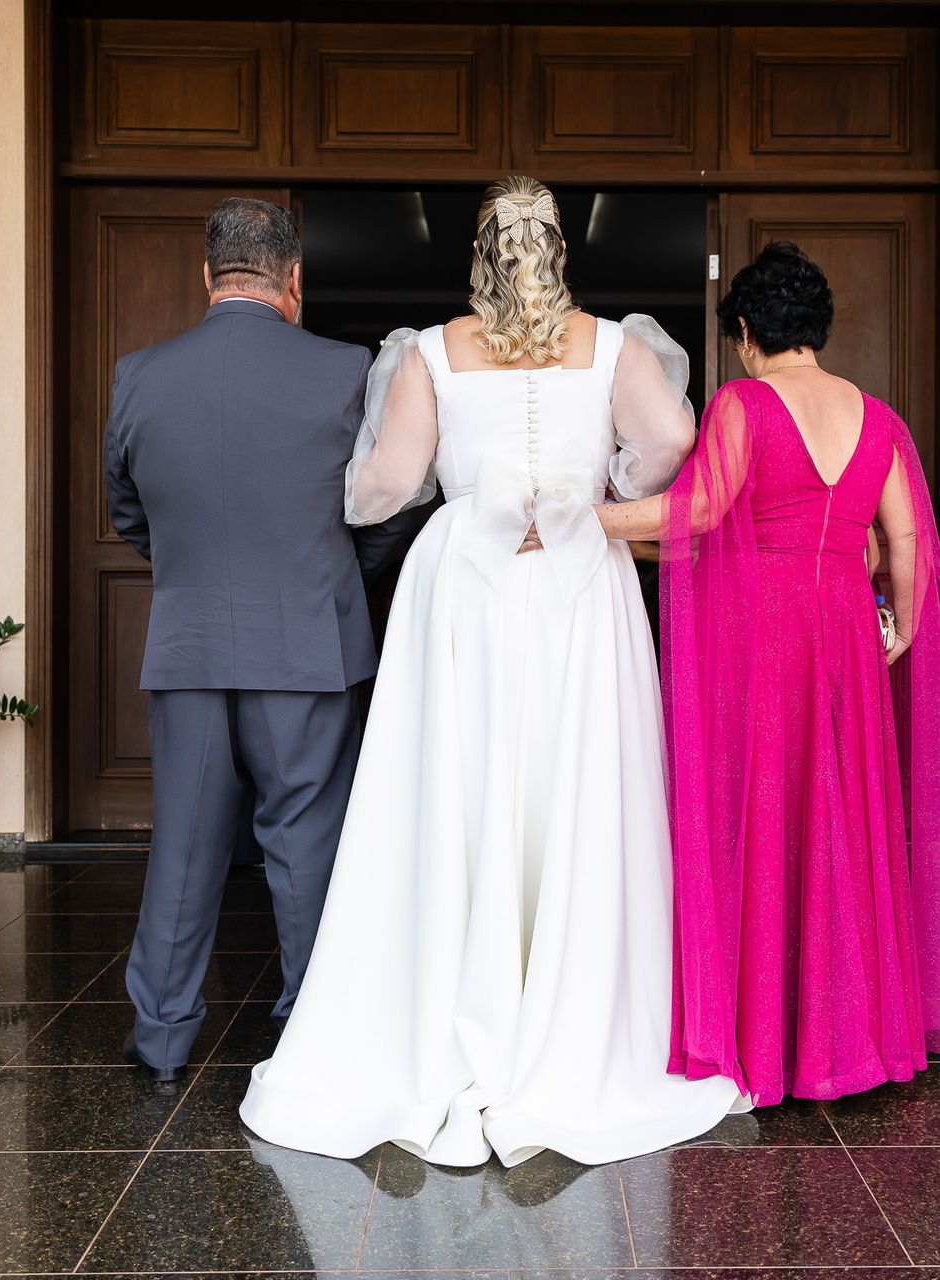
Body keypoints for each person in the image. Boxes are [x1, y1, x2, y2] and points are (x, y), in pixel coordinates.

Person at [239, 176, 746, 1167]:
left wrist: (344, 490)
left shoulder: (430, 351)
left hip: (463, 585)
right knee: (574, 785)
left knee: (457, 790)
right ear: (560, 250)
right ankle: (568, 1022)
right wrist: (608, 485)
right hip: (575, 584)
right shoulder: (615, 346)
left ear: (478, 253)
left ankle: (450, 1009)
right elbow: (674, 438)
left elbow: (389, 482)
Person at [592, 242, 940, 1106]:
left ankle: (766, 1036)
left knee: (761, 815)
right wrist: (903, 630)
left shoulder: (744, 402)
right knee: (840, 816)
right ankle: (848, 1038)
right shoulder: (880, 417)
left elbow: (702, 508)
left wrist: (589, 520)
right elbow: (905, 540)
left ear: (749, 330)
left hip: (763, 636)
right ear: (819, 328)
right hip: (842, 630)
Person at [104, 198, 414, 1081]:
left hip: (191, 640)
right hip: (310, 642)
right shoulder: (346, 370)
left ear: (207, 276)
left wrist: (198, 572)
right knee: (305, 839)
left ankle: (160, 1038)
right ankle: (311, 1033)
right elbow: (384, 506)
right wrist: (331, 570)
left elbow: (130, 509)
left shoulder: (139, 374)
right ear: (295, 280)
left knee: (186, 845)